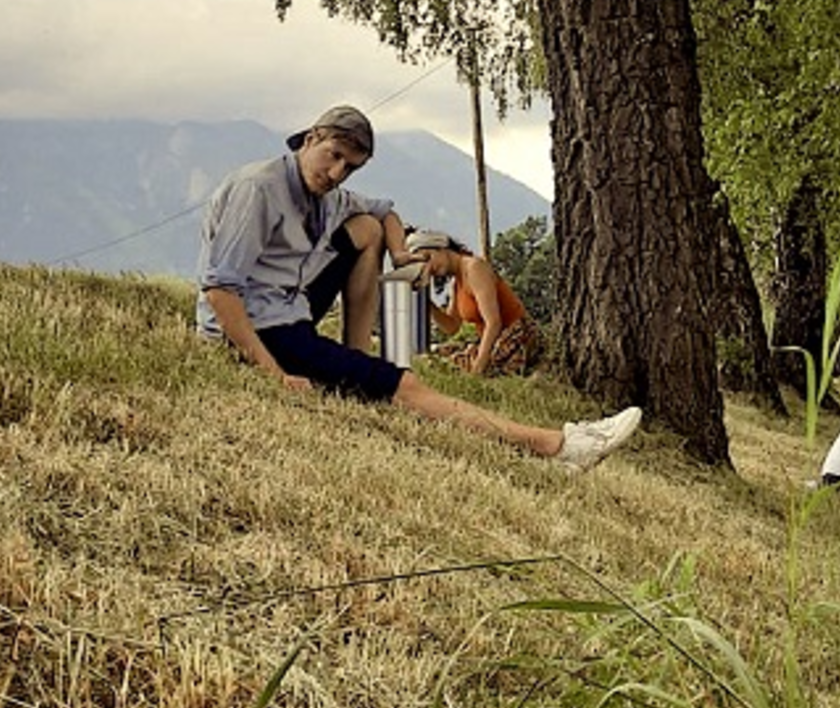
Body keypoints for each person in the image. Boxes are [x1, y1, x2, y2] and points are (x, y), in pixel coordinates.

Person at [196, 105, 640, 471]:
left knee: (366, 227)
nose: (335, 173)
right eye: (332, 156)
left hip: (288, 307)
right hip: (256, 326)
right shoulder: (259, 190)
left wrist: (400, 254)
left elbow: (385, 212)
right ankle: (559, 447)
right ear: (309, 138)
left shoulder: (326, 198)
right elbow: (219, 289)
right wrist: (274, 373)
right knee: (404, 385)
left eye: (349, 167)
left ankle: (355, 358)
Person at [402, 229, 542, 377]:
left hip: (515, 335)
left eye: (428, 257)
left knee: (452, 366)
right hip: (491, 340)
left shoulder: (474, 268)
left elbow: (494, 323)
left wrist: (478, 368)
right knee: (434, 357)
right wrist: (426, 303)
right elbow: (452, 327)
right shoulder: (458, 282)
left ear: (442, 248)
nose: (429, 268)